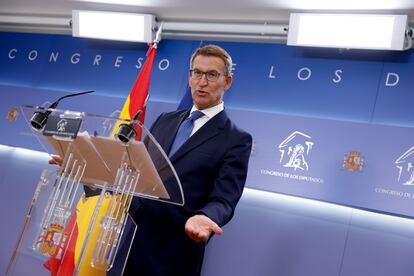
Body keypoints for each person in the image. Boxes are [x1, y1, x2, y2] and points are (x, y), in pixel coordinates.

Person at [122, 44, 252, 276]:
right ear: (190, 77)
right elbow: (137, 169)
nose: (202, 81)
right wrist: (83, 165)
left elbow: (224, 200)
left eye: (212, 75)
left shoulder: (236, 139)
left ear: (227, 82)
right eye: (197, 73)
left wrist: (206, 217)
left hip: (175, 251)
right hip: (129, 240)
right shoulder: (165, 120)